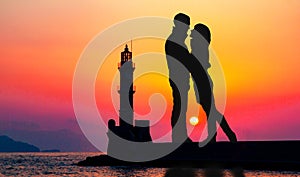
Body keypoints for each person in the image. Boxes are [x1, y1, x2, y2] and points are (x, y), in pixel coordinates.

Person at [165, 13, 212, 143]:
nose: (187, 28)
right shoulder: (174, 41)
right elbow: (186, 60)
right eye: (185, 25)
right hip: (177, 80)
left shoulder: (178, 41)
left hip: (181, 80)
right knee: (179, 107)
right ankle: (178, 137)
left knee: (181, 108)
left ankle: (181, 136)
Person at [190, 23, 237, 143]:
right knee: (210, 110)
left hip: (202, 80)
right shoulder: (200, 47)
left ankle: (226, 134)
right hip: (200, 80)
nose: (192, 35)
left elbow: (195, 62)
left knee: (211, 110)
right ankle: (216, 135)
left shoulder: (199, 48)